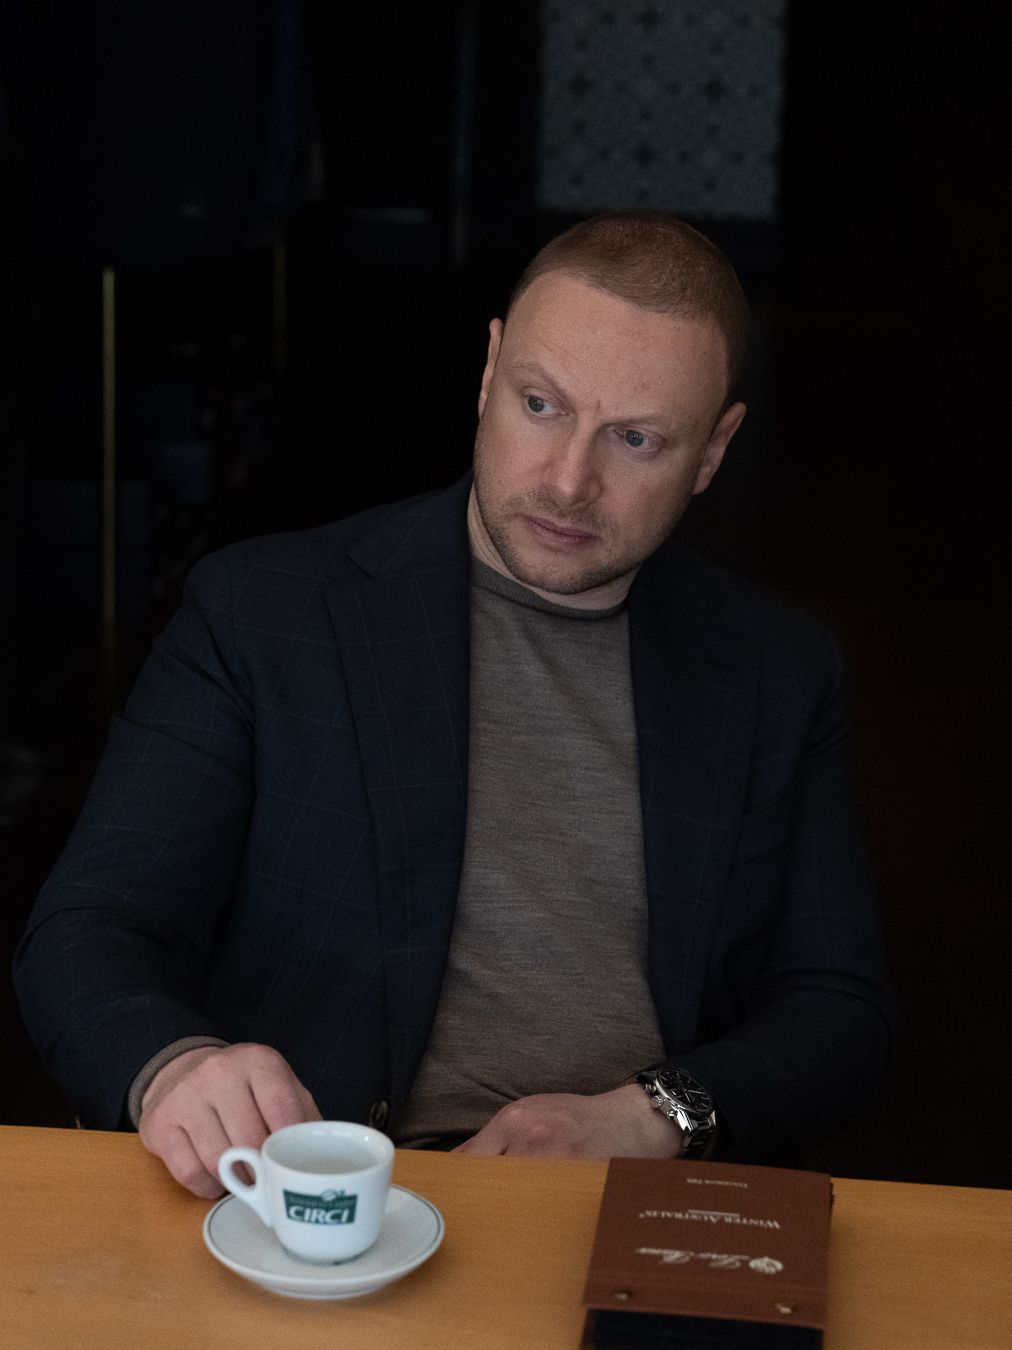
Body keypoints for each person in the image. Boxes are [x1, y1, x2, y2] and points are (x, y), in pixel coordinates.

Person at [14, 213, 894, 1197]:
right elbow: (88, 927)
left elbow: (839, 1006)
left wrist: (654, 1117)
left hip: (623, 1206)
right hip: (313, 1204)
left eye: (636, 439)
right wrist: (176, 1066)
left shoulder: (778, 670)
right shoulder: (263, 614)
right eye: (539, 404)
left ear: (714, 449)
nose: (569, 480)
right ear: (487, 373)